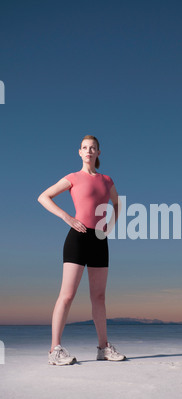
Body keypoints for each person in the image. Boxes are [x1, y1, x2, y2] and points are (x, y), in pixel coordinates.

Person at [37, 135, 126, 365]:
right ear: (79, 152)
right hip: (77, 237)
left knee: (98, 296)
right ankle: (55, 350)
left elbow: (117, 203)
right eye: (85, 148)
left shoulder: (107, 180)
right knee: (67, 295)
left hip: (99, 239)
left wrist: (110, 225)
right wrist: (67, 217)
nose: (88, 151)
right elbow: (43, 197)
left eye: (92, 148)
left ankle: (103, 348)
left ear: (98, 153)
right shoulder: (73, 178)